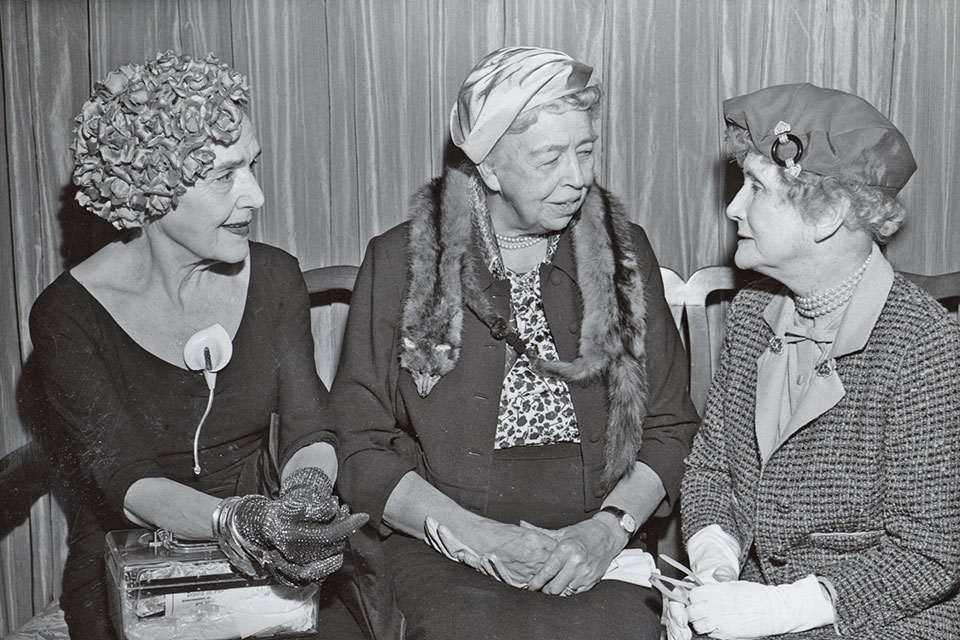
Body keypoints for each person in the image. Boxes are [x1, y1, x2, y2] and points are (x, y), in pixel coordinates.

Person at [331, 46, 699, 639]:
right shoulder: (403, 260)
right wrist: (472, 536)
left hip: (596, 534)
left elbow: (671, 426)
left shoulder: (623, 252)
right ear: (491, 170)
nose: (578, 177)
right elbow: (358, 446)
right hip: (446, 538)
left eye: (585, 151)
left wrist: (606, 531)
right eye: (550, 158)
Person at [29, 51, 367, 639]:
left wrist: (304, 500)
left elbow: (310, 428)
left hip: (269, 535)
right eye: (225, 175)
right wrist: (237, 522)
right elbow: (130, 487)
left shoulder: (275, 276)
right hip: (132, 554)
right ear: (151, 186)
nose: (257, 196)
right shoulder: (67, 316)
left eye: (253, 166)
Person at [665, 83, 960, 639]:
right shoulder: (753, 311)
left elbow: (931, 554)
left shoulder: (925, 348)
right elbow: (713, 471)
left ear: (829, 216)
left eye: (755, 187)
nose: (732, 207)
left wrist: (781, 611)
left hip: (887, 621)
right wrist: (714, 566)